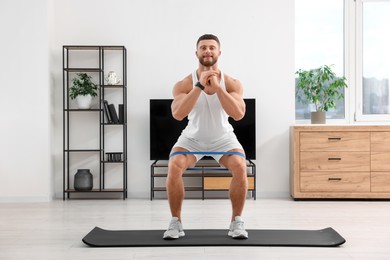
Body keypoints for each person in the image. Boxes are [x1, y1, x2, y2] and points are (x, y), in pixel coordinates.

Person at [163, 34, 249, 240]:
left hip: (223, 139)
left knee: (240, 165)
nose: (208, 51)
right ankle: (175, 223)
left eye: (212, 47)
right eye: (203, 48)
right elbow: (177, 114)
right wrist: (199, 86)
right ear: (197, 53)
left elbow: (238, 114)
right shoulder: (184, 84)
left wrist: (218, 87)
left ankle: (236, 222)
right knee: (174, 164)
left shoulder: (232, 83)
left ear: (219, 52)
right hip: (192, 139)